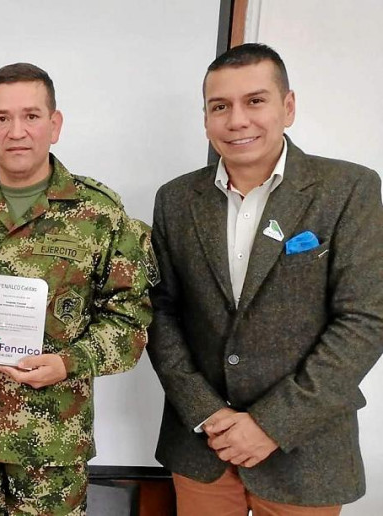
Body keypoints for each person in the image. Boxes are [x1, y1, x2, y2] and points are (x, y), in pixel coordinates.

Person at [148, 43, 383, 515]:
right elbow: (159, 310)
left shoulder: (349, 190)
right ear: (207, 117)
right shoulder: (176, 199)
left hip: (305, 451)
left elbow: (364, 320)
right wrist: (206, 412)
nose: (237, 120)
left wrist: (271, 424)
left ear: (287, 107)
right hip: (203, 447)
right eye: (220, 106)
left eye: (255, 101)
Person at [0, 62, 156, 516]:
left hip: (53, 442)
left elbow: (130, 319)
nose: (17, 131)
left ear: (55, 124)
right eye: (2, 119)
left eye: (30, 116)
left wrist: (70, 362)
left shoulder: (100, 214)